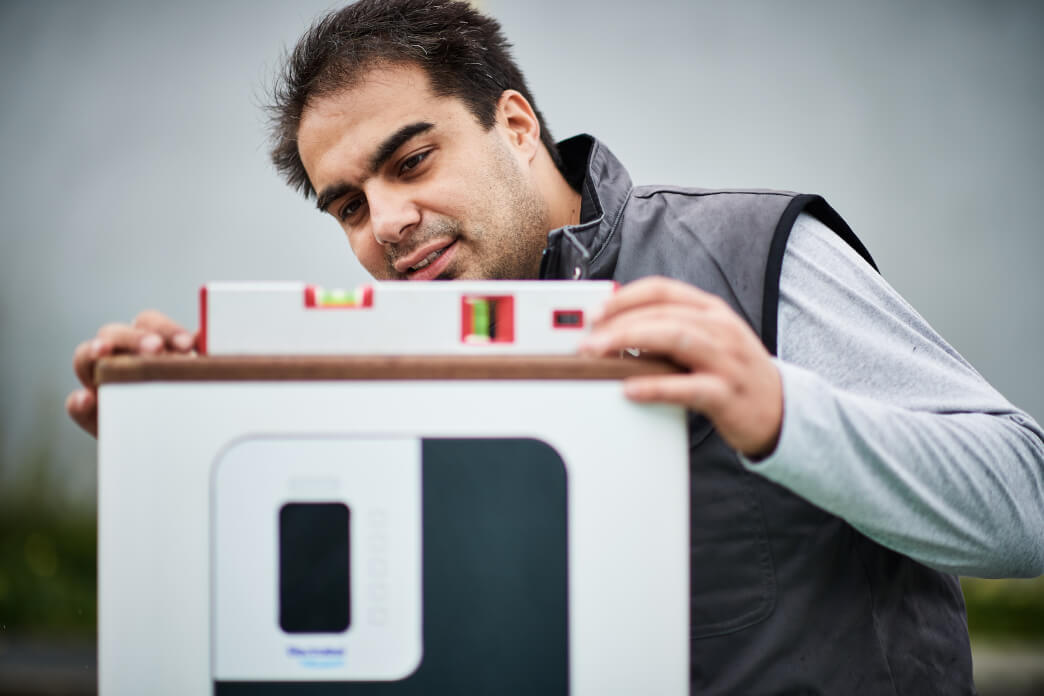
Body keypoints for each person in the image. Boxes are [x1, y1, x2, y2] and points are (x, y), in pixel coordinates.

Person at [67, 1, 1044, 693]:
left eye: (413, 161)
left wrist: (785, 415)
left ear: (516, 125)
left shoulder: (752, 253)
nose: (389, 223)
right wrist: (182, 458)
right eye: (350, 206)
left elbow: (1024, 505)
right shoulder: (391, 358)